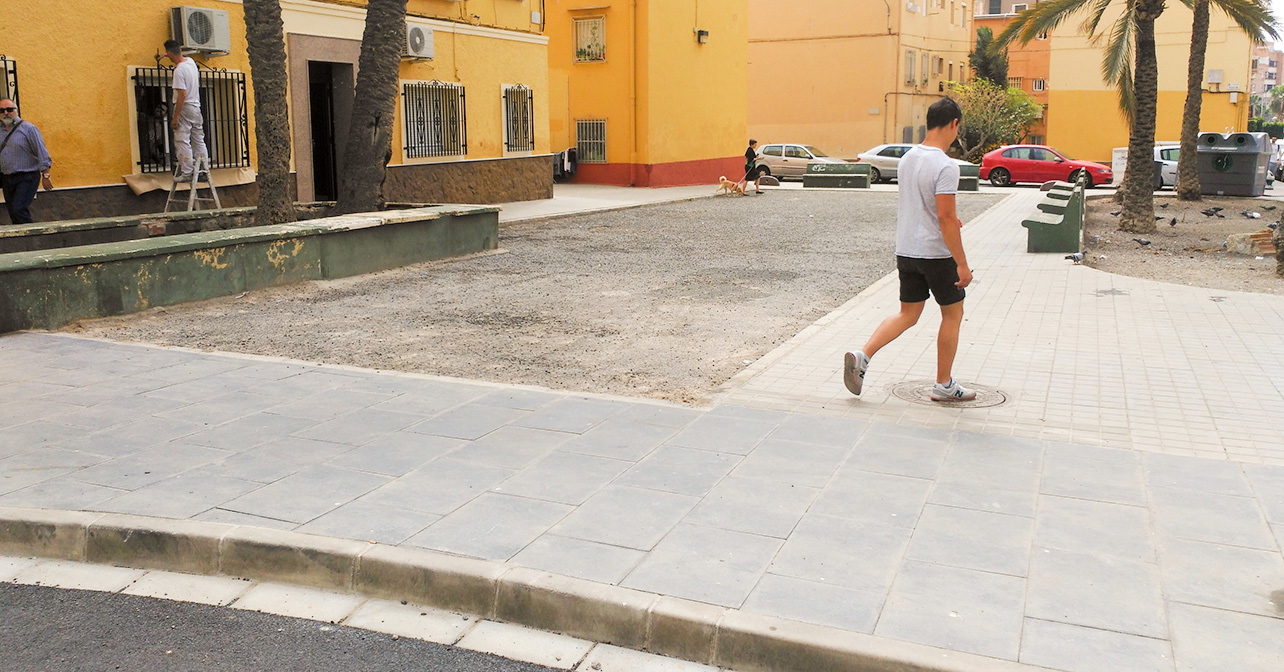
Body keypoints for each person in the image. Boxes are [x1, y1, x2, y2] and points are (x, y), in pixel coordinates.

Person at [844, 97, 975, 402]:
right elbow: (943, 218)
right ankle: (944, 385)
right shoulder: (945, 165)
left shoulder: (908, 158)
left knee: (908, 313)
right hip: (935, 253)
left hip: (907, 250)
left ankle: (863, 356)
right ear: (953, 124)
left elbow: (927, 206)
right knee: (953, 313)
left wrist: (949, 218)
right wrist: (962, 264)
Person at [0, 99, 53, 225]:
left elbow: (42, 152)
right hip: (6, 178)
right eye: (2, 111)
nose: (5, 113)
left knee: (19, 209)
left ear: (16, 110)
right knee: (13, 211)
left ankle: (31, 240)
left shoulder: (28, 129)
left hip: (27, 177)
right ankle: (22, 241)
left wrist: (46, 175)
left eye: (9, 109)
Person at [164, 39, 208, 179]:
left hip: (185, 107)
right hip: (196, 107)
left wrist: (175, 116)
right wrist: (166, 55)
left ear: (169, 53)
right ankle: (203, 170)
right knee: (198, 139)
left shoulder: (179, 71)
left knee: (182, 139)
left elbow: (182, 95)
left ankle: (187, 172)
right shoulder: (191, 63)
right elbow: (178, 55)